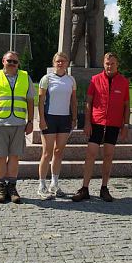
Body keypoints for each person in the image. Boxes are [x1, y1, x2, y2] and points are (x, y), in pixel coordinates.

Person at [72, 52, 130, 202]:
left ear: (117, 65)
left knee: (109, 155)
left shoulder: (124, 82)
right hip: (97, 122)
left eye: (112, 64)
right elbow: (88, 102)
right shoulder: (95, 79)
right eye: (107, 63)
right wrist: (87, 122)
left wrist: (125, 125)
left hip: (113, 123)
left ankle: (104, 188)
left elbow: (126, 105)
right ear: (103, 64)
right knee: (90, 154)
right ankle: (84, 188)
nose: (109, 66)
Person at [0, 50, 35, 204]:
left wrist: (30, 121)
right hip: (0, 123)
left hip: (19, 123)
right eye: (9, 61)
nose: (12, 64)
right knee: (0, 156)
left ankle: (12, 187)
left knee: (14, 157)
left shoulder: (25, 77)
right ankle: (1, 187)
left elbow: (30, 100)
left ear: (18, 64)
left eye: (15, 61)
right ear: (3, 61)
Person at [38, 52, 78, 199]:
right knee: (47, 152)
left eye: (63, 61)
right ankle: (42, 185)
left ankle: (54, 183)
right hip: (49, 118)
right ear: (54, 63)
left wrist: (74, 118)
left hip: (64, 119)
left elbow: (73, 101)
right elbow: (41, 101)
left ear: (67, 63)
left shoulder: (71, 80)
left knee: (59, 151)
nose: (60, 63)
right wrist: (41, 119)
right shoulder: (46, 78)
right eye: (58, 61)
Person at [70, 0, 99, 68]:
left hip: (90, 21)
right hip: (77, 21)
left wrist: (90, 13)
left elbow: (96, 9)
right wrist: (83, 8)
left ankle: (93, 62)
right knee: (75, 41)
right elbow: (72, 8)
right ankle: (72, 61)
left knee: (92, 42)